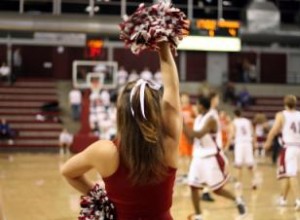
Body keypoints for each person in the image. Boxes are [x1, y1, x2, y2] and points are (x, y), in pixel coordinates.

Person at [61, 42, 182, 219]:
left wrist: (100, 196)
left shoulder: (104, 151)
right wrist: (163, 45)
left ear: (120, 113)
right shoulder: (168, 143)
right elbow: (172, 89)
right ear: (157, 112)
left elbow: (68, 172)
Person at [184, 96, 246, 220]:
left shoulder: (211, 119)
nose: (195, 107)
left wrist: (182, 122)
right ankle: (199, 215)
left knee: (217, 190)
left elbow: (198, 134)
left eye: (197, 104)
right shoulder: (198, 119)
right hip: (198, 158)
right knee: (193, 186)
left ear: (202, 106)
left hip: (210, 157)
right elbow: (192, 139)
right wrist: (182, 129)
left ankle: (238, 200)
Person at [264, 95, 300, 209]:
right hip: (298, 146)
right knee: (288, 174)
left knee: (291, 174)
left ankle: (298, 200)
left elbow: (274, 130)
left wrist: (268, 141)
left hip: (289, 147)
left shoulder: (281, 115)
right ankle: (283, 199)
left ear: (284, 103)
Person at [228, 109, 257, 192]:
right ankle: (253, 182)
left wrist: (228, 143)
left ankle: (238, 183)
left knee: (238, 165)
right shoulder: (247, 121)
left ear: (234, 115)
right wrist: (255, 143)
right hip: (248, 143)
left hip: (240, 144)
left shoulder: (234, 122)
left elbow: (232, 134)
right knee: (250, 165)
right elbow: (253, 133)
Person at [178, 93, 196, 180]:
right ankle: (184, 173)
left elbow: (198, 118)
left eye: (186, 97)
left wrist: (191, 119)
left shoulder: (192, 108)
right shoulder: (178, 107)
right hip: (181, 134)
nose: (184, 98)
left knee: (190, 154)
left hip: (190, 134)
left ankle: (190, 172)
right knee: (182, 154)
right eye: (183, 97)